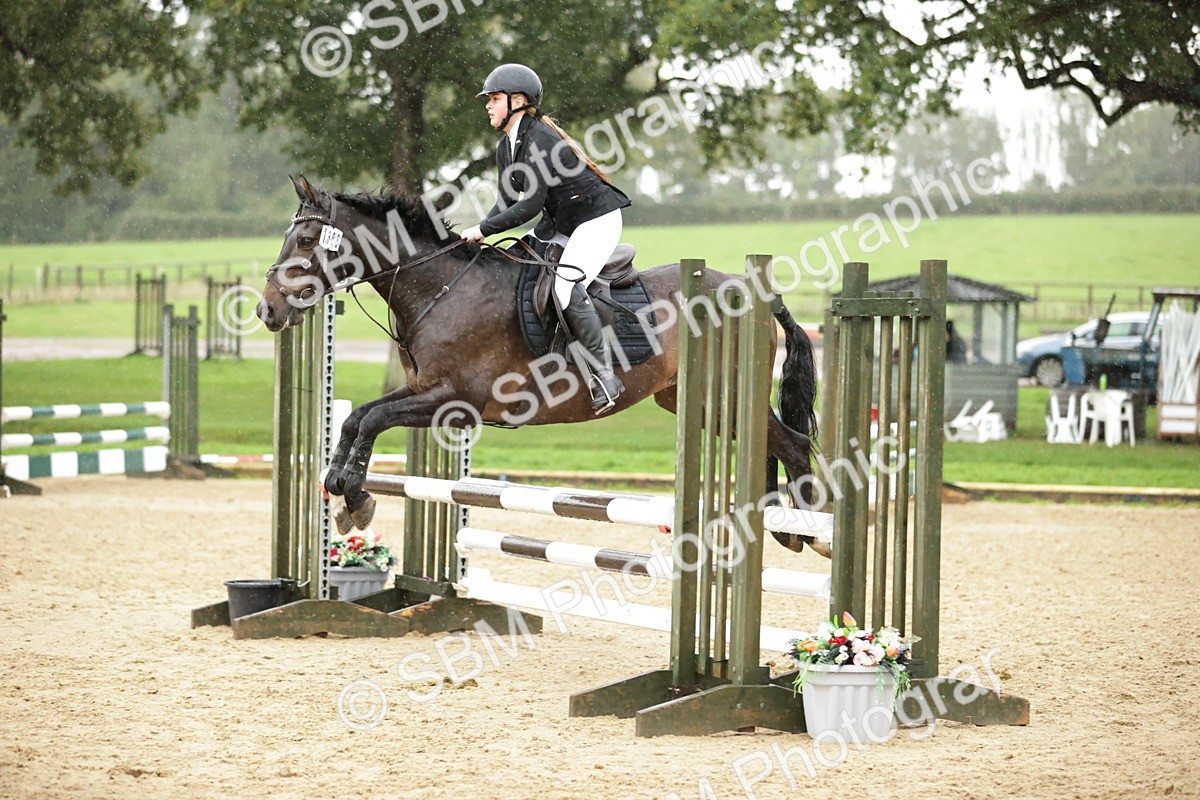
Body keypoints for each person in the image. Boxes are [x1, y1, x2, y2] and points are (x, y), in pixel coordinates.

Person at [460, 63, 631, 414]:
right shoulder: (507, 147)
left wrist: (484, 230)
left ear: (518, 101)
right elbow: (506, 202)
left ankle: (604, 376)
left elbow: (530, 206)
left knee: (565, 285)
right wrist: (479, 230)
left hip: (596, 220)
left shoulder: (539, 139)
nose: (488, 106)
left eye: (494, 98)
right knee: (517, 265)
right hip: (562, 223)